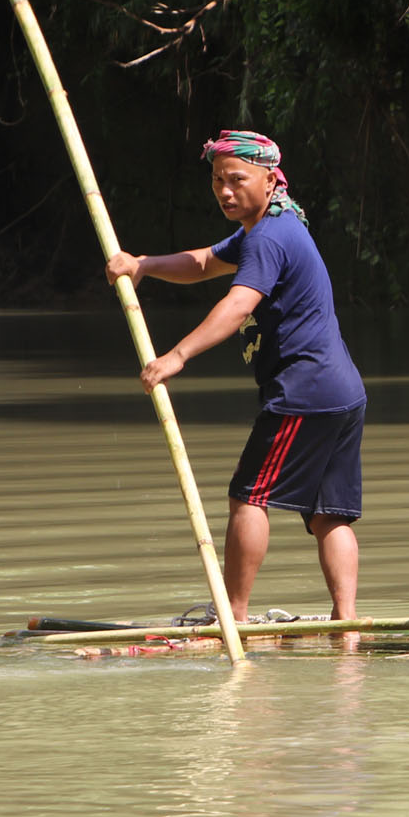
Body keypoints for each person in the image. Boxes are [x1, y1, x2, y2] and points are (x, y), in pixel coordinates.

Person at [105, 130, 363, 624]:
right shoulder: (270, 227)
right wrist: (143, 265)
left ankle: (235, 616)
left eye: (237, 180)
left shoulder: (269, 236)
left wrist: (176, 355)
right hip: (344, 392)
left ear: (270, 179)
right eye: (218, 181)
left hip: (305, 391)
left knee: (249, 495)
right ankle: (345, 624)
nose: (225, 191)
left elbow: (237, 303)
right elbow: (204, 263)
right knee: (329, 512)